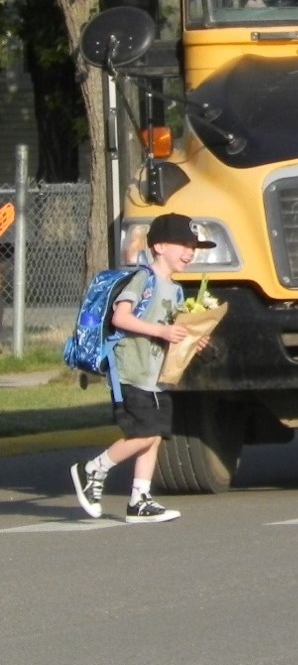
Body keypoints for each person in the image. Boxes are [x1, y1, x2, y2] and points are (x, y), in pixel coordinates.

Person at [70, 213, 216, 523]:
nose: (190, 252)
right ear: (160, 246)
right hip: (130, 372)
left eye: (194, 247)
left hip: (157, 376)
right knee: (144, 432)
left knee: (155, 434)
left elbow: (172, 330)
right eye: (184, 245)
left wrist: (192, 339)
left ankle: (140, 498)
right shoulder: (143, 279)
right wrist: (162, 332)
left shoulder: (175, 290)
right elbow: (120, 319)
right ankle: (93, 468)